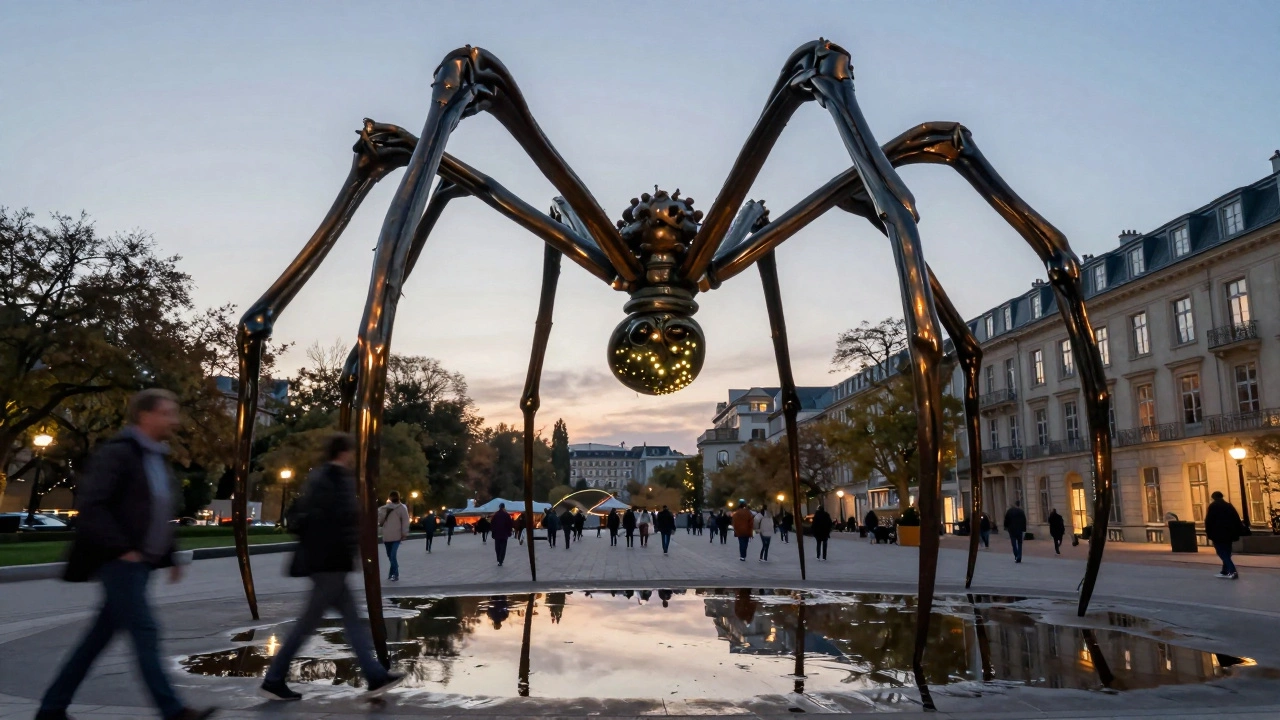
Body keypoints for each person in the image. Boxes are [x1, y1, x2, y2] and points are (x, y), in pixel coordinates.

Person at [41, 389, 217, 720]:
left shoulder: (154, 456)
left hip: (139, 563)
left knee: (96, 640)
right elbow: (93, 506)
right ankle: (174, 711)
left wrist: (170, 554)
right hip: (119, 562)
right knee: (145, 631)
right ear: (145, 416)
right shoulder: (119, 453)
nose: (174, 420)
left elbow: (158, 509)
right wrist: (123, 550)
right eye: (167, 413)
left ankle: (52, 708)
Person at [259, 432, 404, 702]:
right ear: (344, 452)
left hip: (328, 562)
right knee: (309, 624)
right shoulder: (335, 479)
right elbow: (335, 521)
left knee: (349, 621)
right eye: (350, 452)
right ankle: (274, 678)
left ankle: (374, 675)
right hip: (330, 563)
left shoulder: (323, 478)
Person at [1204, 491, 1243, 579]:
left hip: (1217, 533)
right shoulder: (1229, 506)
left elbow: (1209, 521)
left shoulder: (1213, 506)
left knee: (1221, 552)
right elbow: (1236, 519)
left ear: (1213, 497)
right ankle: (1225, 571)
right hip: (1229, 533)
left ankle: (1232, 571)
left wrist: (1208, 532)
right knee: (1227, 552)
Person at [377, 491, 410, 582]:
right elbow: (380, 520)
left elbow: (405, 521)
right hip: (387, 535)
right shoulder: (385, 508)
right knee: (389, 556)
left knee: (392, 555)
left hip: (396, 536)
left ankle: (395, 574)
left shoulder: (402, 508)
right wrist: (384, 511)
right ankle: (392, 572)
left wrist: (404, 533)